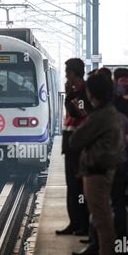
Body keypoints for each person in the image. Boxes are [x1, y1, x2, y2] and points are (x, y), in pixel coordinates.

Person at [70, 73, 123, 255]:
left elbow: (76, 140)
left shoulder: (101, 115)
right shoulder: (108, 112)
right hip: (101, 170)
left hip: (97, 171)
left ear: (93, 93)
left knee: (102, 220)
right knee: (102, 218)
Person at [56, 59, 91, 236]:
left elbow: (80, 112)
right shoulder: (77, 92)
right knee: (72, 187)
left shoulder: (84, 92)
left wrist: (69, 96)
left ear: (73, 73)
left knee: (80, 187)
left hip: (80, 146)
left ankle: (83, 224)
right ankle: (74, 222)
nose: (65, 76)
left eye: (67, 73)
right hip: (71, 146)